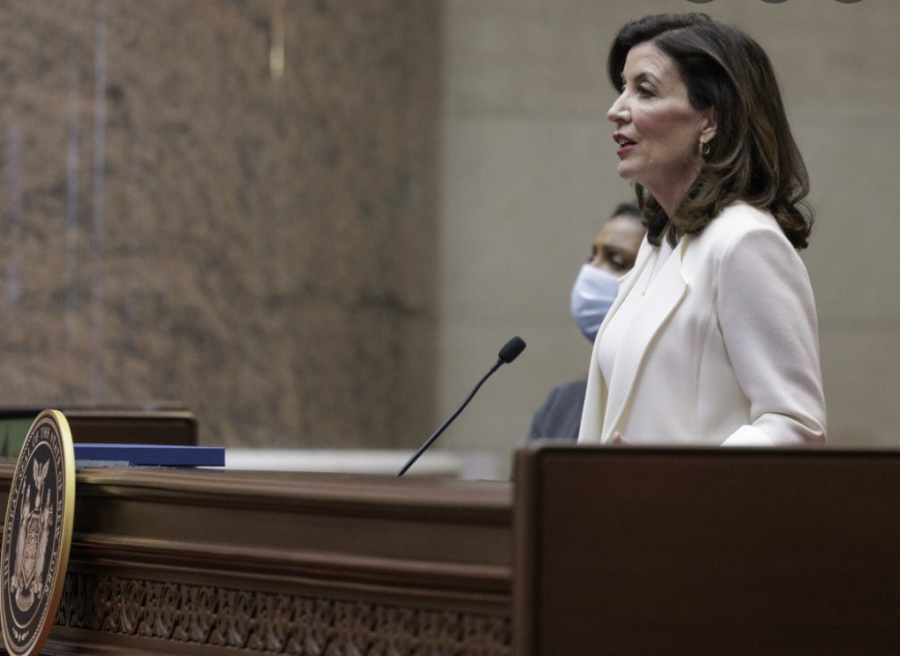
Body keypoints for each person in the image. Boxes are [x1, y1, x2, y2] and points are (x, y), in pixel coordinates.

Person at [578, 13, 826, 447]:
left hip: (695, 513)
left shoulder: (745, 241)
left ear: (709, 121)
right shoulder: (662, 245)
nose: (615, 110)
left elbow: (795, 426)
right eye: (622, 88)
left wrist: (676, 482)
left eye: (645, 90)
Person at [529, 203, 645, 440]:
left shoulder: (676, 409)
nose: (591, 271)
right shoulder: (561, 405)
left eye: (615, 260)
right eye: (593, 256)